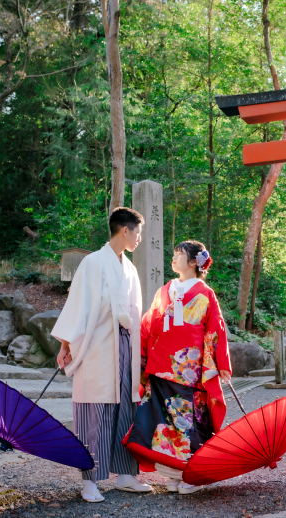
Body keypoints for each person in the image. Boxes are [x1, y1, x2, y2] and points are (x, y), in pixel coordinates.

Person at [50, 207, 152, 503]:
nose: (140, 238)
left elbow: (134, 312)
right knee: (95, 412)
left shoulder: (129, 268)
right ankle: (90, 481)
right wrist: (66, 345)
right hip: (97, 347)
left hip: (125, 347)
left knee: (125, 410)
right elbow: (77, 305)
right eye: (138, 232)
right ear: (125, 230)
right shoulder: (93, 263)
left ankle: (125, 473)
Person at [125, 240, 232, 495]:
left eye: (179, 255)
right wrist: (140, 356)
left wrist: (221, 363)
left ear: (195, 262)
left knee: (187, 422)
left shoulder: (205, 292)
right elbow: (148, 324)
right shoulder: (165, 290)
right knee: (163, 423)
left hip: (189, 366)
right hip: (162, 363)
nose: (174, 258)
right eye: (173, 254)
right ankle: (173, 476)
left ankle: (192, 475)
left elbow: (215, 329)